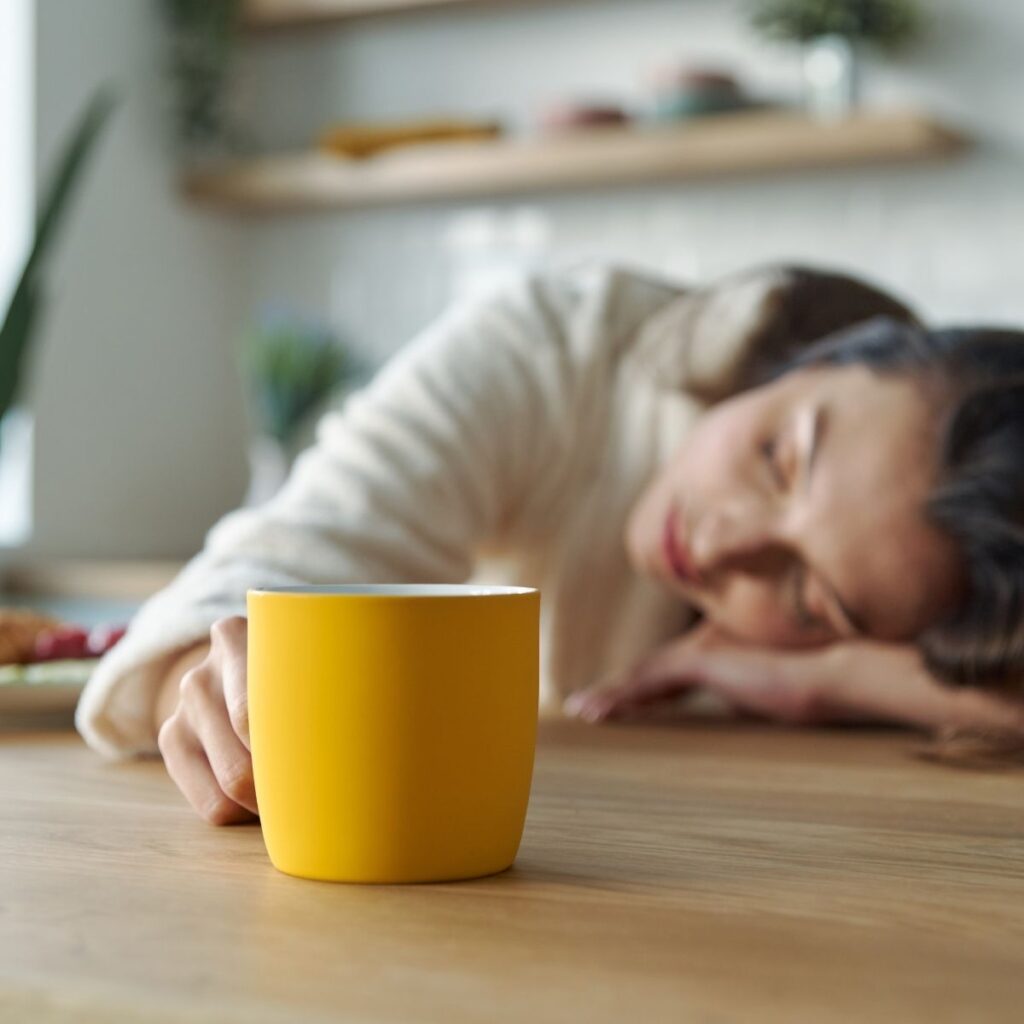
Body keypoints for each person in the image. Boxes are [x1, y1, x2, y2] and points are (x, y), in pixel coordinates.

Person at [75, 263, 1024, 825]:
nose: (725, 547)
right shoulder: (558, 344)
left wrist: (836, 676)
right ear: (815, 354)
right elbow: (281, 557)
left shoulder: (921, 590)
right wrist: (204, 672)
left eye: (816, 600)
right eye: (779, 456)